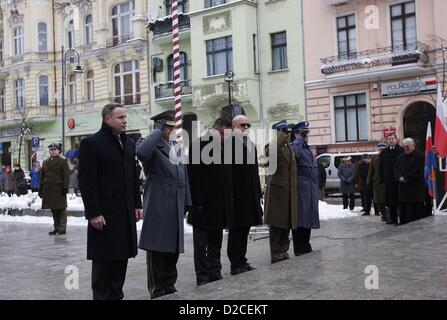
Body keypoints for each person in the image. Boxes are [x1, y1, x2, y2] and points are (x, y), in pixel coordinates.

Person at [78, 104, 143, 300]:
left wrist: (137, 204)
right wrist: (94, 213)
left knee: (120, 260)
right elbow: (87, 181)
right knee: (103, 264)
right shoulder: (92, 143)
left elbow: (133, 176)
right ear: (107, 119)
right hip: (104, 214)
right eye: (120, 117)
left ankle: (116, 296)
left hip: (124, 212)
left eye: (125, 117)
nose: (124, 120)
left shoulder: (128, 143)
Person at [137, 110, 191, 299]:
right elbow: (141, 154)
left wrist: (187, 201)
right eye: (167, 126)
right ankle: (157, 287)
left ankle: (169, 283)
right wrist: (157, 132)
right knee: (158, 246)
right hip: (159, 199)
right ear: (160, 126)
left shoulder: (175, 146)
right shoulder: (150, 144)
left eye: (171, 127)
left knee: (173, 246)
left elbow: (184, 174)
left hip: (176, 199)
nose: (171, 130)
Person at [188, 118, 233, 286]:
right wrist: (197, 203)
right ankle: (202, 276)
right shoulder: (199, 144)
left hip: (219, 205)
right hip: (203, 206)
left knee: (216, 243)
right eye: (224, 134)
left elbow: (227, 177)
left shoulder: (224, 147)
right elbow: (194, 176)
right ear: (217, 129)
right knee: (201, 245)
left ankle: (215, 272)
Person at [229, 115, 263, 275]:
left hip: (249, 194)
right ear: (234, 126)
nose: (246, 128)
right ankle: (235, 263)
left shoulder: (250, 145)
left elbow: (254, 172)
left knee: (245, 229)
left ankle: (242, 259)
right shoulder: (229, 144)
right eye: (243, 125)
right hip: (236, 195)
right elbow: (228, 173)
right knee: (236, 230)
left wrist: (257, 193)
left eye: (248, 125)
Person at [264, 121, 297, 263]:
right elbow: (268, 156)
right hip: (277, 192)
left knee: (287, 222)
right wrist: (279, 138)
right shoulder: (272, 146)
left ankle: (283, 249)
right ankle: (275, 251)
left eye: (288, 133)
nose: (289, 135)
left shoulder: (288, 148)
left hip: (288, 191)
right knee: (277, 223)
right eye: (286, 132)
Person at [290, 121, 320, 255]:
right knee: (300, 218)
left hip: (311, 187)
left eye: (306, 133)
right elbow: (295, 154)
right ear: (296, 134)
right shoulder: (294, 146)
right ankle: (299, 247)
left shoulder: (307, 148)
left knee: (309, 216)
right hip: (301, 186)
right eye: (303, 133)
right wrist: (299, 139)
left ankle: (306, 243)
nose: (306, 136)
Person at [39, 144, 70, 235]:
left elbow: (66, 175)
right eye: (51, 150)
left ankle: (62, 228)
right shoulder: (45, 162)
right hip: (48, 189)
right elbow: (42, 177)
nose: (53, 151)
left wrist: (65, 187)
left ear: (58, 151)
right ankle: (56, 227)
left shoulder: (62, 161)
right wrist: (40, 189)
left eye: (55, 149)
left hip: (59, 188)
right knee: (53, 209)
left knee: (61, 209)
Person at [394, 138, 425, 225]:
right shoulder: (401, 156)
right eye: (404, 146)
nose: (406, 148)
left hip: (415, 186)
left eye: (407, 146)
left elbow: (418, 170)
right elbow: (396, 168)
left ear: (413, 145)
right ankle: (404, 221)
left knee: (415, 206)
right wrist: (399, 177)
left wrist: (406, 178)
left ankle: (416, 222)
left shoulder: (420, 156)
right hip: (403, 186)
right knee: (404, 205)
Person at [379, 133, 404, 225]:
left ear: (396, 139)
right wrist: (381, 179)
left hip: (398, 180)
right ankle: (392, 219)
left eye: (392, 138)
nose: (391, 140)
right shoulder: (384, 152)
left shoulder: (401, 150)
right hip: (388, 180)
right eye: (389, 139)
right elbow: (381, 167)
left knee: (399, 200)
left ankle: (401, 219)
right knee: (390, 201)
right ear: (387, 141)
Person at [367, 143, 387, 221]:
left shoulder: (388, 156)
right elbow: (371, 170)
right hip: (377, 183)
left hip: (387, 182)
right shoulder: (374, 158)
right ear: (378, 149)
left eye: (383, 149)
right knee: (379, 201)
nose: (381, 150)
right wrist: (368, 182)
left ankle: (389, 215)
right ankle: (384, 215)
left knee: (388, 200)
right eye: (380, 149)